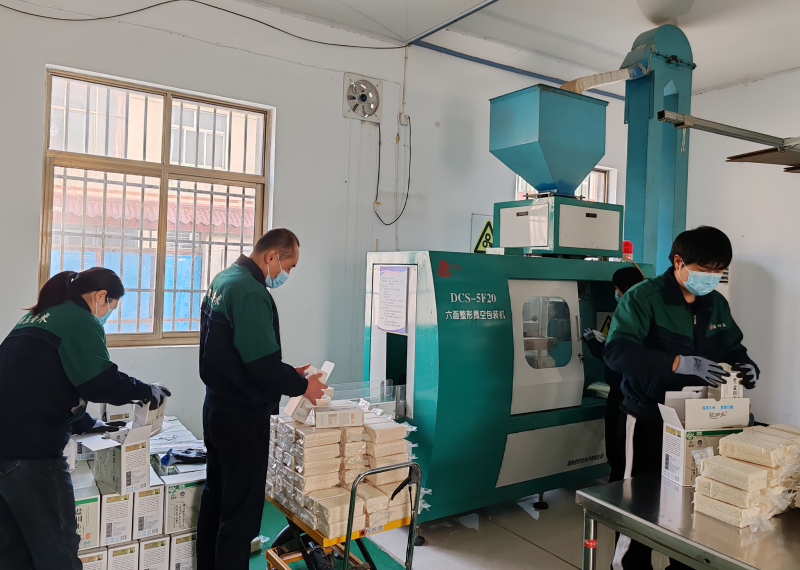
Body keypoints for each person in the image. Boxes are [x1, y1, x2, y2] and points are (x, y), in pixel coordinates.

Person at [604, 226, 759, 570]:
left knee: (691, 502)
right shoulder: (643, 298)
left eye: (718, 270)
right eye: (704, 270)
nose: (711, 278)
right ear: (678, 262)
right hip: (647, 416)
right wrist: (677, 363)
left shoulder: (716, 304)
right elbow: (616, 353)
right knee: (638, 500)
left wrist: (745, 364)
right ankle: (628, 565)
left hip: (697, 422)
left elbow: (732, 347)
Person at [0, 267, 170, 570]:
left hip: (6, 451)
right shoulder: (80, 320)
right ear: (100, 296)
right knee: (59, 552)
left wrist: (87, 423)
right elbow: (100, 382)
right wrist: (147, 391)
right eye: (110, 307)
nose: (106, 315)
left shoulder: (36, 317)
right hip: (33, 455)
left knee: (14, 550)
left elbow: (43, 384)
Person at [196, 227, 326, 570]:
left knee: (216, 496)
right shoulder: (250, 292)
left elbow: (238, 353)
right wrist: (303, 386)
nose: (287, 274)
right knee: (240, 515)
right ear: (272, 256)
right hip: (243, 417)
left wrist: (289, 373)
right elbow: (261, 367)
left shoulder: (224, 279)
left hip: (217, 407)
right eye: (289, 266)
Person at [582, 266, 645, 483]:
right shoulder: (651, 308)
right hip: (642, 394)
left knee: (619, 448)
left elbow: (617, 356)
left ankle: (618, 492)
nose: (616, 294)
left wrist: (594, 344)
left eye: (617, 289)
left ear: (625, 288)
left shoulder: (629, 312)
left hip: (623, 394)